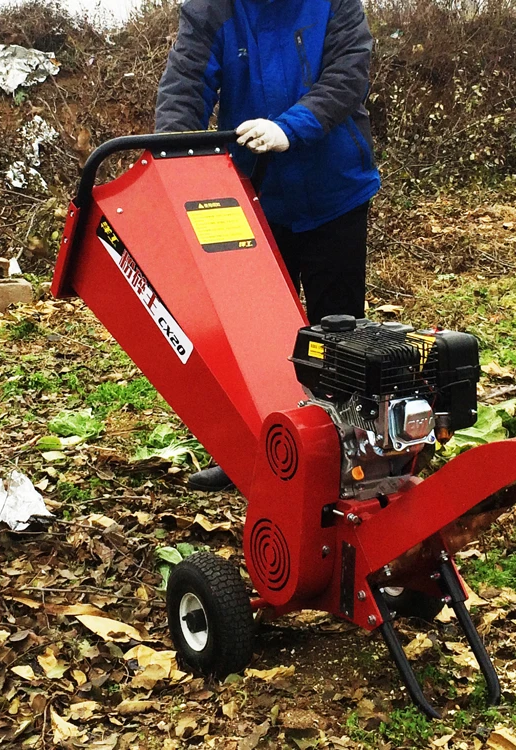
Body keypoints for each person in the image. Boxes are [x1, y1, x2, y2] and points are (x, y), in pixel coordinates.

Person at [156, 0, 380, 492]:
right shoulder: (212, 8)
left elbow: (347, 76)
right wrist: (172, 163)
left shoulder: (336, 3)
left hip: (334, 191)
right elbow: (186, 84)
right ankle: (259, 449)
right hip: (253, 195)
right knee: (251, 332)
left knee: (336, 330)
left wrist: (290, 126)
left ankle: (344, 453)